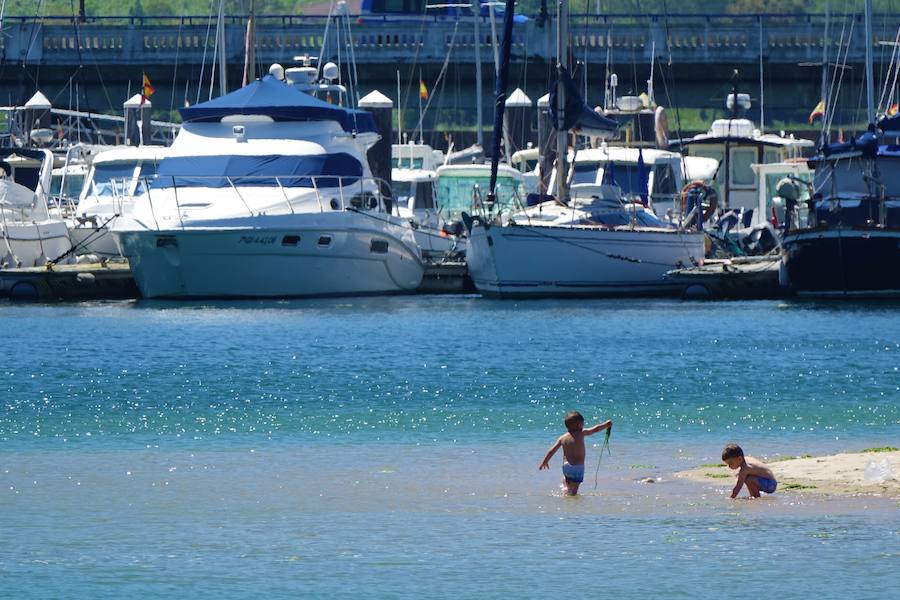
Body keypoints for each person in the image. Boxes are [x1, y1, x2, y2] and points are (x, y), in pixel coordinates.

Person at [539, 411, 612, 496]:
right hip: (578, 468)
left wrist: (545, 461)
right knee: (574, 490)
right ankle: (569, 497)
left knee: (567, 480)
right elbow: (595, 429)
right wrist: (606, 424)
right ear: (578, 425)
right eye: (583, 424)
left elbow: (552, 450)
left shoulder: (562, 438)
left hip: (566, 467)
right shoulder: (581, 433)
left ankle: (565, 487)